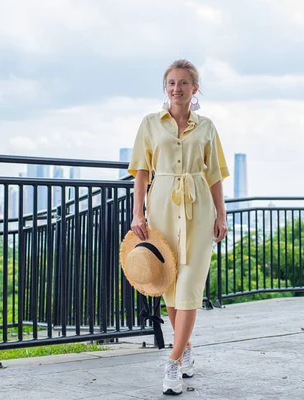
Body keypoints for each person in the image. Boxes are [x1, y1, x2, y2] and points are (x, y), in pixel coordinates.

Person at [127, 59, 229, 395]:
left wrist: (221, 214)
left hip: (198, 208)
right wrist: (138, 213)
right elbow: (141, 171)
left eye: (184, 82)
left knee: (190, 282)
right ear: (165, 87)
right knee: (169, 282)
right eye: (171, 82)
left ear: (194, 89)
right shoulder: (150, 124)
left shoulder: (207, 127)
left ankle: (172, 359)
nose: (177, 88)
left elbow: (213, 173)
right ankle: (185, 347)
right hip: (162, 208)